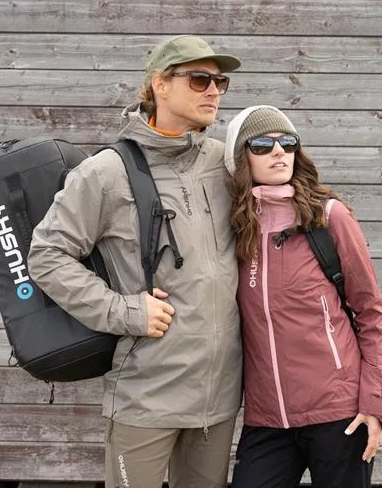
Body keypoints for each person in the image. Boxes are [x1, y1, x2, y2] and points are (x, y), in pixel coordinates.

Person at [27, 35, 243, 488]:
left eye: (219, 82)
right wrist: (125, 311)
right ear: (159, 85)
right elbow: (47, 255)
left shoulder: (224, 163)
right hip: (146, 395)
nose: (213, 91)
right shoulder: (106, 172)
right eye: (199, 79)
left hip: (218, 399)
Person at [223, 105, 382, 488]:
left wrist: (375, 403)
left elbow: (371, 313)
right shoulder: (232, 227)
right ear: (239, 158)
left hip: (339, 413)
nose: (278, 151)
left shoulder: (327, 217)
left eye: (288, 143)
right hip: (267, 417)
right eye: (262, 144)